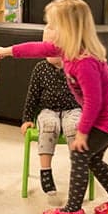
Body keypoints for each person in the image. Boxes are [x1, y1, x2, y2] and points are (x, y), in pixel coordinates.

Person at [0, 0, 108, 214]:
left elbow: (94, 102)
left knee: (80, 154)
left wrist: (83, 132)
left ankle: (73, 209)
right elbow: (36, 48)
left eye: (53, 25)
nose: (48, 30)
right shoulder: (67, 49)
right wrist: (7, 51)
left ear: (69, 29)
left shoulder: (84, 61)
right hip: (107, 113)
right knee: (93, 159)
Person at [21, 56, 82, 195]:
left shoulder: (75, 66)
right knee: (49, 126)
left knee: (74, 127)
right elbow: (32, 96)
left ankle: (78, 171)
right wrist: (27, 119)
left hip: (73, 109)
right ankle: (45, 171)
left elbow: (87, 94)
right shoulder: (41, 68)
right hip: (47, 110)